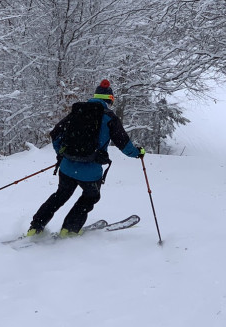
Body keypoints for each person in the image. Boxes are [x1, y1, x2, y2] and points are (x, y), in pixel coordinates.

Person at [29, 80, 144, 237]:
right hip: (91, 171)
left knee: (60, 196)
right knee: (91, 196)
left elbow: (55, 134)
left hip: (67, 167)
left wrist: (61, 153)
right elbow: (124, 144)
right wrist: (138, 153)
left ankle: (35, 227)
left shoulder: (77, 112)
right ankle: (69, 229)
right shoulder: (109, 118)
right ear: (110, 100)